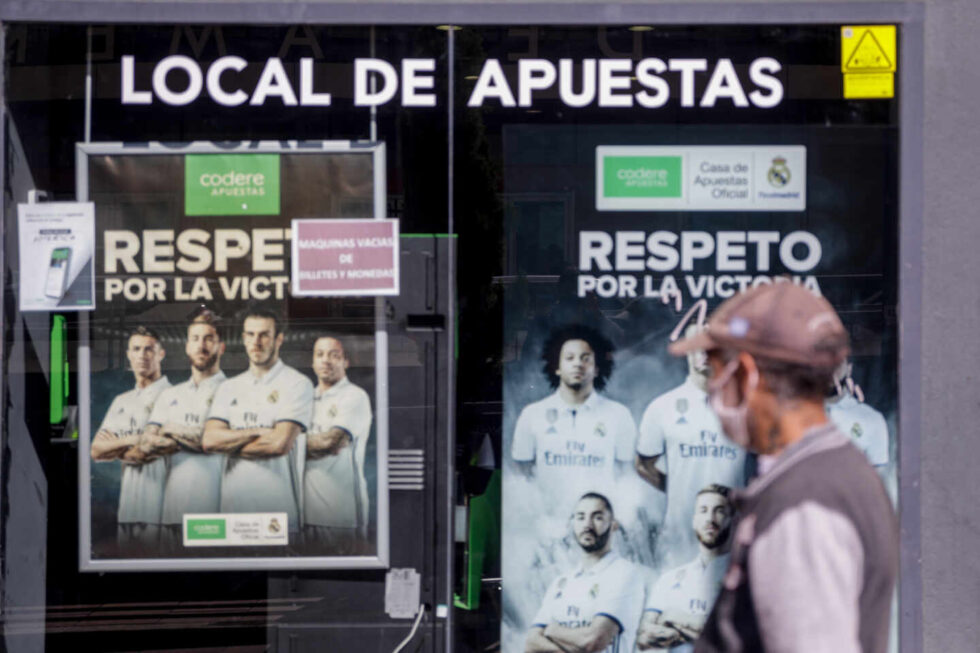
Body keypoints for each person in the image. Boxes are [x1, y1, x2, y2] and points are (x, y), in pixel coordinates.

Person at [667, 283, 898, 652]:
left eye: (715, 372)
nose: (711, 394)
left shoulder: (806, 506)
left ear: (746, 374)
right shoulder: (827, 473)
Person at [635, 325, 748, 567]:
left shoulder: (745, 407)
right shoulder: (663, 406)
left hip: (730, 534)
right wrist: (675, 486)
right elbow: (643, 465)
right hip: (679, 534)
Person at [203, 306, 313, 537]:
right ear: (243, 338)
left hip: (279, 516)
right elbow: (210, 441)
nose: (257, 342)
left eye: (264, 335)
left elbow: (278, 445)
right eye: (251, 335)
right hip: (232, 516)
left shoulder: (297, 384)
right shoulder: (227, 387)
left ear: (279, 339)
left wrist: (230, 444)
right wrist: (259, 432)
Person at [511, 325, 637, 518]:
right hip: (548, 526)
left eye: (586, 359)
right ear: (557, 367)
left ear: (596, 369)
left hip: (598, 525)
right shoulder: (532, 415)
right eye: (569, 358)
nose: (578, 364)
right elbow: (523, 477)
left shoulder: (619, 415)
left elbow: (626, 477)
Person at [139, 308, 227, 552]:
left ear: (221, 347)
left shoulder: (234, 391)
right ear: (187, 346)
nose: (201, 346)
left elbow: (212, 441)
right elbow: (146, 443)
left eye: (209, 338)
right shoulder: (170, 395)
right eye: (195, 339)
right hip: (171, 514)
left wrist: (169, 429)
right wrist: (195, 437)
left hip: (216, 517)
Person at [525, 493, 646, 653]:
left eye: (597, 517)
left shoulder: (625, 573)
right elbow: (531, 643)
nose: (587, 525)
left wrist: (552, 630)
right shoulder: (561, 582)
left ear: (613, 525)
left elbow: (593, 641)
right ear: (572, 523)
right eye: (580, 517)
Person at [90, 325, 171, 551]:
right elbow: (96, 450)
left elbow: (145, 451)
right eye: (136, 349)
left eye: (149, 349)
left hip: (162, 512)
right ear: (128, 354)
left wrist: (117, 448)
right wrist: (132, 439)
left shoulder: (173, 396)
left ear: (160, 354)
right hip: (128, 510)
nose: (142, 356)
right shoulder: (122, 401)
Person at [637, 485, 734, 652]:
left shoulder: (741, 576)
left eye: (719, 511)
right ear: (694, 519)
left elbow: (727, 637)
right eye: (703, 510)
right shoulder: (670, 579)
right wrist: (696, 627)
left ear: (732, 519)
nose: (710, 519)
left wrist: (674, 617)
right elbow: (643, 637)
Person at [304, 336, 373, 554]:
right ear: (313, 361)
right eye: (320, 354)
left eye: (334, 355)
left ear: (346, 362)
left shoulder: (354, 396)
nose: (326, 361)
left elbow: (329, 442)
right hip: (305, 514)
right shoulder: (304, 399)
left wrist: (284, 443)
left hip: (340, 515)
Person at [826, 360, 890, 469]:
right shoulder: (795, 416)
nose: (830, 370)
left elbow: (877, 479)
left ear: (849, 368)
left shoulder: (872, 420)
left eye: (837, 362)